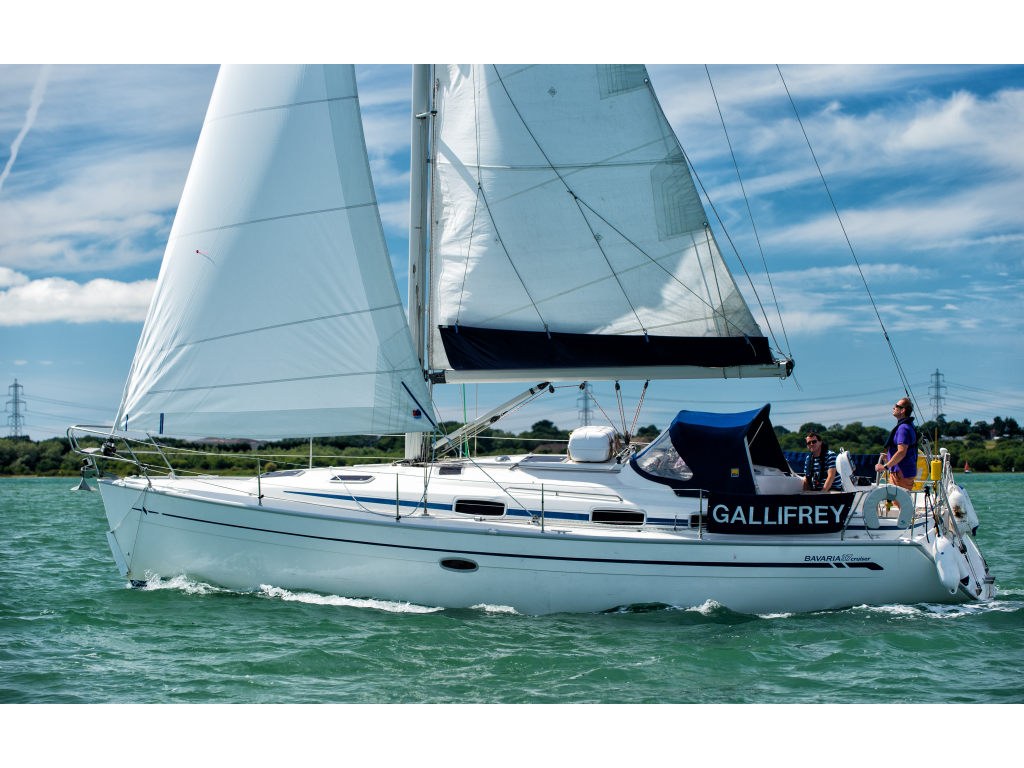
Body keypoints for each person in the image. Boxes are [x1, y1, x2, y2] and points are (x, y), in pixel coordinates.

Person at [876, 397, 917, 490]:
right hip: (905, 471)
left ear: (903, 410)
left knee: (898, 499)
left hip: (901, 473)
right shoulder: (908, 425)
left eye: (896, 406)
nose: (893, 407)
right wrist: (889, 456)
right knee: (903, 498)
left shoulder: (903, 428)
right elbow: (904, 450)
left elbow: (901, 452)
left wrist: (885, 467)